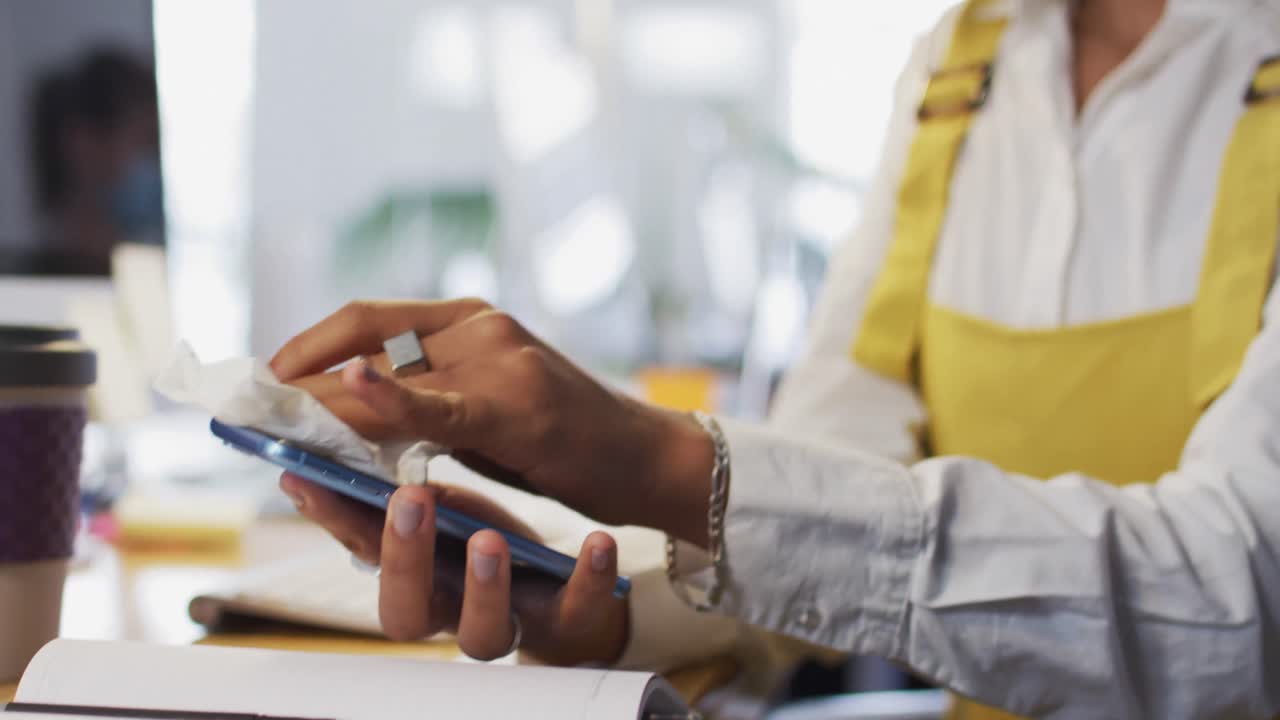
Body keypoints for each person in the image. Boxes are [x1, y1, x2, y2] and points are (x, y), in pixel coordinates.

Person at [269, 0, 1280, 717]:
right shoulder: (956, 68)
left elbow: (1241, 599)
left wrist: (672, 468)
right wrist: (601, 614)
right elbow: (833, 493)